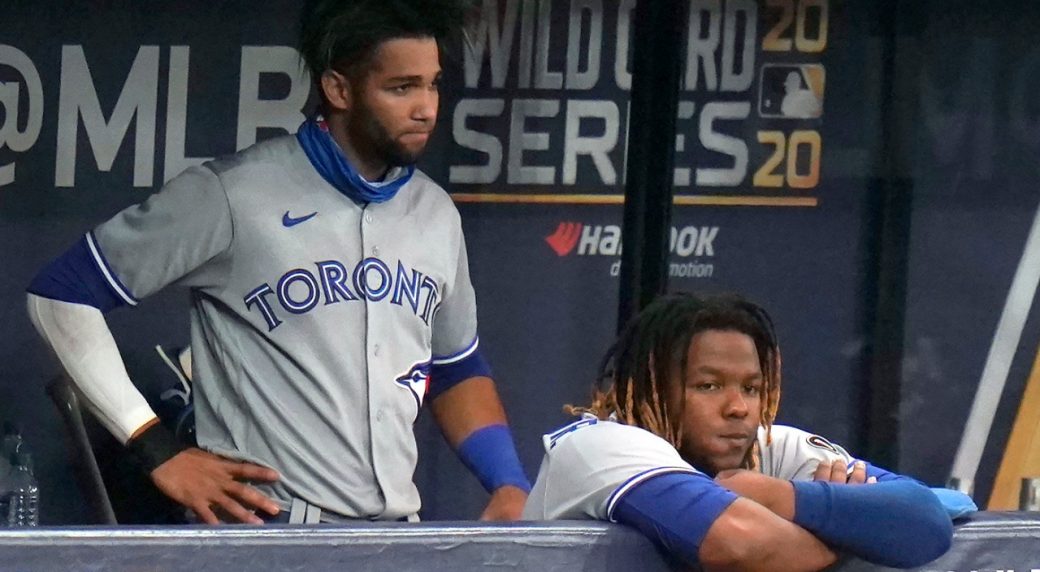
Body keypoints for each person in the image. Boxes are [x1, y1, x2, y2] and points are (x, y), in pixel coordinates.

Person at [26, 0, 529, 524]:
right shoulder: (231, 195)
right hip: (272, 532)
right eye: (401, 88)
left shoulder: (435, 213)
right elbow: (59, 295)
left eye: (432, 84)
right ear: (338, 89)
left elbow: (454, 366)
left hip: (395, 536)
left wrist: (509, 482)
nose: (426, 107)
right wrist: (154, 447)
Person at [522, 293, 960, 570]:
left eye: (752, 388)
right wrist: (853, 529)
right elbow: (739, 544)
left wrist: (778, 497)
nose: (738, 408)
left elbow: (926, 520)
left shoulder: (769, 450)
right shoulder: (600, 445)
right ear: (648, 388)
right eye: (708, 386)